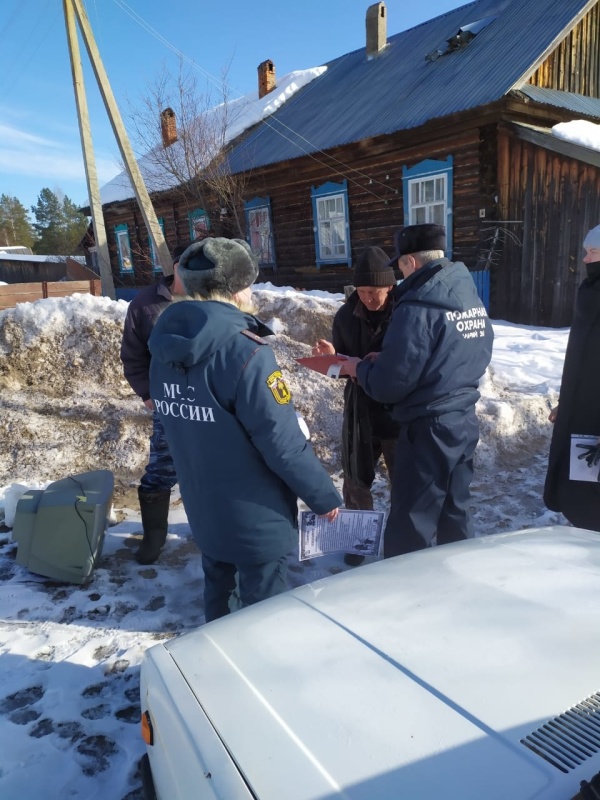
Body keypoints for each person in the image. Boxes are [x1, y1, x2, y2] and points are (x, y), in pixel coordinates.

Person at [148, 237, 342, 622]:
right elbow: (283, 443)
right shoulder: (246, 352)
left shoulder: (163, 350)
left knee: (219, 599)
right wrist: (324, 498)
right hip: (257, 518)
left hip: (205, 510)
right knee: (263, 616)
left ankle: (215, 674)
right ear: (237, 290)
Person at [340, 224, 494, 557]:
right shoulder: (466, 294)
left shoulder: (417, 306)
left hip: (426, 429)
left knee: (412, 523)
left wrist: (358, 368)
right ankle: (459, 575)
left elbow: (388, 384)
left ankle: (410, 599)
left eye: (400, 265)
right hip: (463, 421)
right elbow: (472, 350)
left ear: (410, 262)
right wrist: (392, 358)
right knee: (455, 511)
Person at [312, 246, 400, 566]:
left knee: (403, 479)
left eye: (375, 292)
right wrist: (331, 354)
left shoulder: (406, 313)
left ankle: (401, 539)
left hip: (397, 413)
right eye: (362, 291)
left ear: (390, 287)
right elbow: (341, 367)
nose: (368, 299)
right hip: (360, 409)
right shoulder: (346, 316)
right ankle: (359, 540)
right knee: (355, 480)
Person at [120, 242, 189, 565]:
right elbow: (133, 356)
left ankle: (213, 532)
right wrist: (148, 394)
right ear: (175, 266)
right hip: (168, 405)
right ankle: (153, 538)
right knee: (162, 468)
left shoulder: (213, 300)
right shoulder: (146, 304)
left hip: (211, 404)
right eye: (186, 265)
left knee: (212, 469)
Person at [544, 224, 600, 530]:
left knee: (590, 499)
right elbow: (582, 362)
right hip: (582, 419)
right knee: (578, 494)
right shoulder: (591, 294)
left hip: (596, 424)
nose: (586, 260)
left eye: (592, 253)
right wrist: (567, 403)